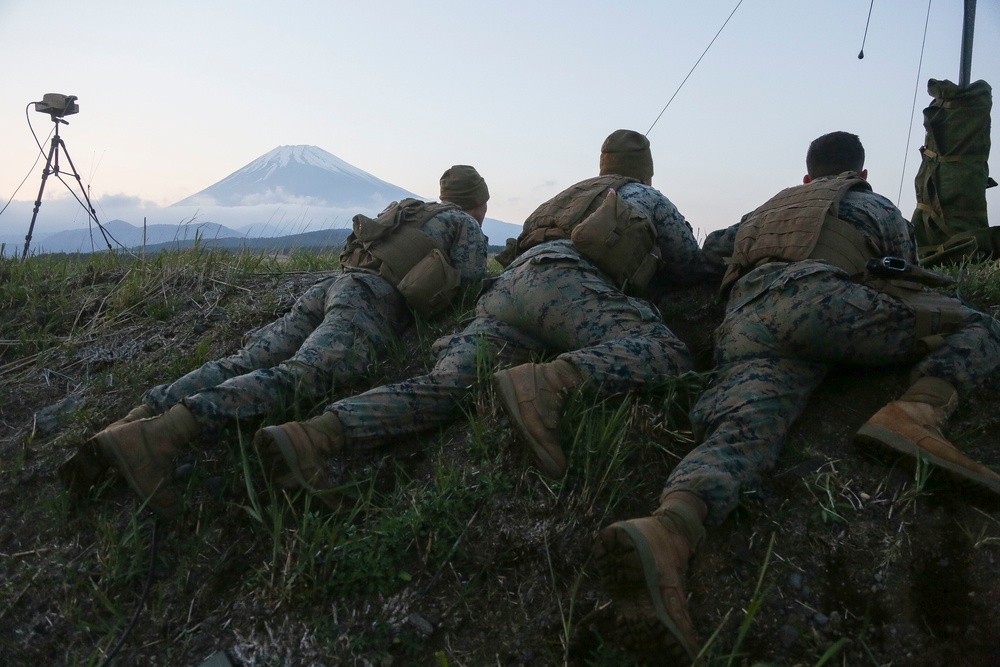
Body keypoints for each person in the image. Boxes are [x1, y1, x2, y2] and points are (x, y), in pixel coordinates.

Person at [593, 131, 1000, 664]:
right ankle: (914, 414)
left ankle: (670, 526)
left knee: (745, 427)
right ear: (860, 174)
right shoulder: (872, 203)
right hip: (826, 307)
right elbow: (908, 272)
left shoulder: (769, 208)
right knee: (980, 326)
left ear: (807, 177)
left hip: (744, 323)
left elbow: (710, 255)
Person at [252, 129, 710, 501]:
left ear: (602, 165)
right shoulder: (648, 197)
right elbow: (689, 265)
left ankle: (319, 434)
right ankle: (550, 383)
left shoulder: (561, 199)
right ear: (646, 170)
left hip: (505, 293)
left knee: (448, 385)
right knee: (667, 350)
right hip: (567, 282)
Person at [59, 165, 491, 518]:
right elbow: (470, 286)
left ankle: (131, 421)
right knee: (306, 374)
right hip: (367, 299)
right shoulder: (464, 224)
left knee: (248, 359)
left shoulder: (411, 209)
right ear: (479, 203)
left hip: (331, 287)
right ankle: (160, 437)